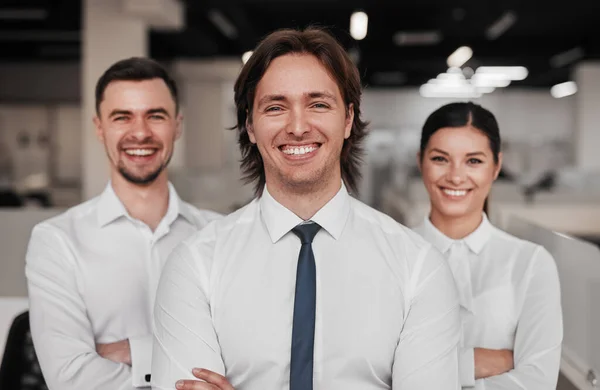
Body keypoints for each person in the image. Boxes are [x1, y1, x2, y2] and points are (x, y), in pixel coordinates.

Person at [151, 27, 461, 390]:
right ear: (250, 125)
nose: (297, 127)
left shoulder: (418, 268)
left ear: (347, 119)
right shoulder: (195, 265)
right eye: (276, 107)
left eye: (318, 104)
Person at [25, 57, 221, 390]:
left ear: (177, 125)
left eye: (155, 116)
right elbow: (70, 378)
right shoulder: (56, 241)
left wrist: (135, 351)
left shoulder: (219, 235)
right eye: (122, 117)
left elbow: (243, 356)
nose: (141, 132)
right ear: (99, 127)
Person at [413, 102, 563, 389]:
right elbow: (374, 372)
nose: (456, 176)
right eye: (440, 159)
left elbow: (538, 382)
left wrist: (421, 374)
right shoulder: (390, 254)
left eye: (474, 161)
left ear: (496, 167)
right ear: (420, 161)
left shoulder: (531, 263)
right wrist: (474, 363)